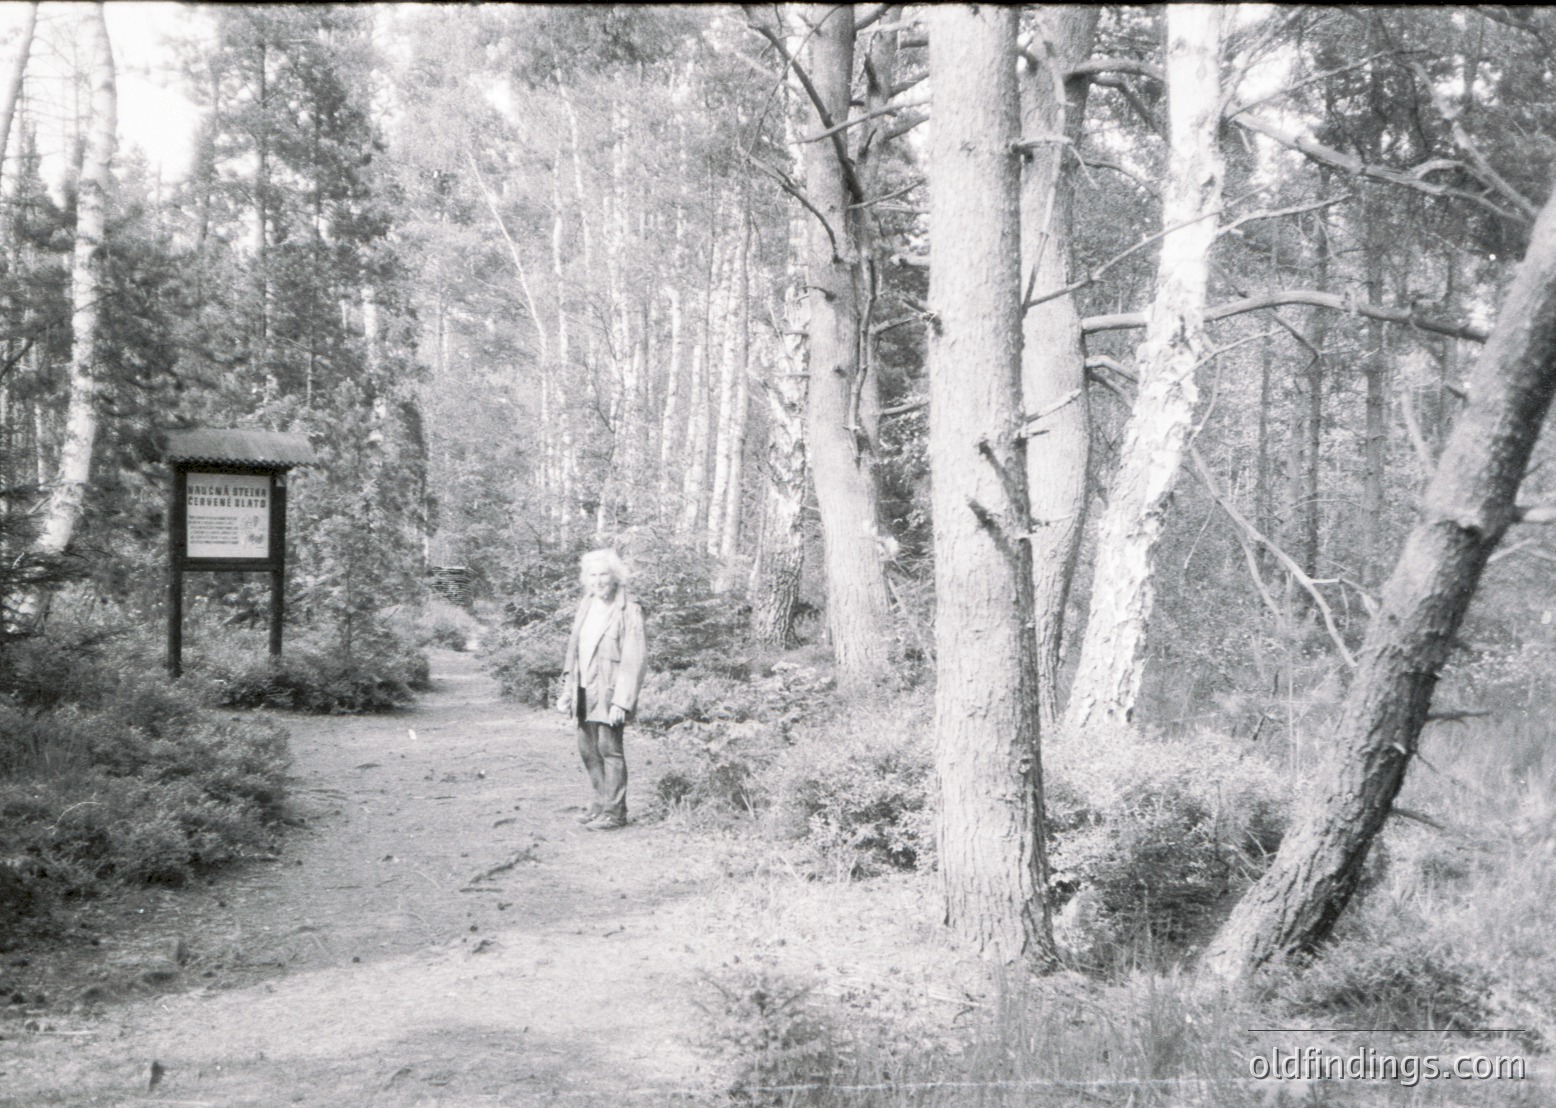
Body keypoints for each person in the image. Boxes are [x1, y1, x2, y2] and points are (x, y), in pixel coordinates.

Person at [556, 548, 647, 830]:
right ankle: (599, 803)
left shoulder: (629, 610)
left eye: (603, 574)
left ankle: (615, 812)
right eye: (592, 575)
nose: (598, 580)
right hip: (583, 689)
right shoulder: (586, 604)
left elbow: (635, 659)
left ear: (615, 576)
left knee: (610, 749)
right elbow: (575, 650)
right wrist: (567, 690)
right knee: (587, 749)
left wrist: (623, 701)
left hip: (609, 692)